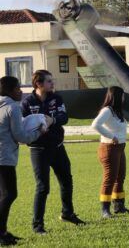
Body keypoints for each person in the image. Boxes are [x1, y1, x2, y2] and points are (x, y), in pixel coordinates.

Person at [22, 70, 85, 234]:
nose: (53, 84)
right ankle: (37, 226)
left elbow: (64, 117)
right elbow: (23, 126)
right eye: (49, 81)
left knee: (66, 181)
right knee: (43, 187)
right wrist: (34, 131)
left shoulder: (56, 98)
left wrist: (53, 120)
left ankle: (67, 213)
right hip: (38, 150)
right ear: (39, 84)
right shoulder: (27, 103)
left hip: (57, 147)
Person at [0, 76, 44, 245]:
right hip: (4, 157)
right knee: (9, 194)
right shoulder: (12, 107)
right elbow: (21, 136)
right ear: (10, 90)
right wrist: (39, 131)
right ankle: (1, 233)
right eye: (18, 88)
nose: (21, 91)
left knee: (3, 195)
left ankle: (3, 232)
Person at [90, 86, 129, 218]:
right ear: (117, 97)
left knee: (120, 177)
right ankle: (105, 210)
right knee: (109, 179)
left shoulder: (117, 111)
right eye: (123, 95)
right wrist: (110, 136)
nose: (124, 98)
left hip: (120, 148)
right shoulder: (107, 110)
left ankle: (119, 206)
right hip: (109, 148)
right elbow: (95, 124)